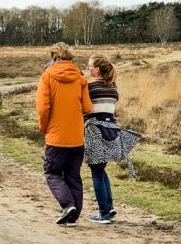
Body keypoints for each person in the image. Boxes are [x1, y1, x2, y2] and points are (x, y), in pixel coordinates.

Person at [36, 42, 92, 225]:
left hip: (56, 137)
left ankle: (68, 205)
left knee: (51, 172)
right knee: (73, 176)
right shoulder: (80, 77)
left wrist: (44, 128)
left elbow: (43, 109)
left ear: (54, 57)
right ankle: (73, 215)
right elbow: (87, 107)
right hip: (76, 137)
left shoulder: (47, 76)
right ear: (70, 57)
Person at [84, 54, 140, 224]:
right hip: (111, 132)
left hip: (95, 132)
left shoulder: (91, 88)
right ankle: (109, 207)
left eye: (89, 66)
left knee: (96, 171)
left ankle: (104, 213)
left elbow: (84, 108)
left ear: (97, 69)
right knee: (101, 170)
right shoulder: (113, 88)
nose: (87, 69)